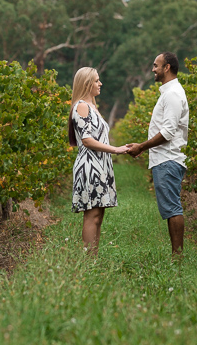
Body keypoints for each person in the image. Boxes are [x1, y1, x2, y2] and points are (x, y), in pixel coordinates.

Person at [127, 52, 189, 257]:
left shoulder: (172, 94)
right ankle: (176, 255)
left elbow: (168, 132)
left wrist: (141, 147)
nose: (153, 69)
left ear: (167, 67)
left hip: (168, 158)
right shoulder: (169, 93)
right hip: (166, 159)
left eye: (156, 65)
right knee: (171, 207)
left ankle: (177, 256)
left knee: (173, 208)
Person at [69, 66, 129, 254]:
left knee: (98, 216)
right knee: (92, 215)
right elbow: (86, 140)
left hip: (99, 165)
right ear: (87, 84)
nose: (100, 83)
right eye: (96, 80)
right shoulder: (82, 106)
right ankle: (88, 262)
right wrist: (115, 150)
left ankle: (92, 259)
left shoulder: (92, 107)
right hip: (90, 166)